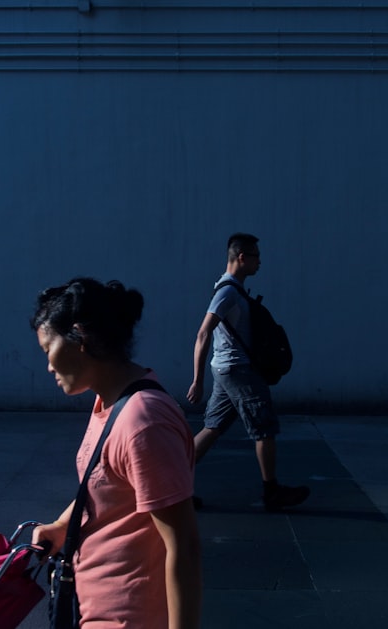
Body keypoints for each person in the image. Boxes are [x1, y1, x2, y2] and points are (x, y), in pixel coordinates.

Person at [30, 277, 202, 629]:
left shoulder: (143, 421)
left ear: (80, 337)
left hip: (129, 617)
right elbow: (104, 483)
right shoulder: (110, 402)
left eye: (48, 349)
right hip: (96, 606)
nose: (48, 365)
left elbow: (183, 547)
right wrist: (62, 527)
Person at [186, 233, 310, 511]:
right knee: (264, 428)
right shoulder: (227, 291)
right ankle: (272, 491)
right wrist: (197, 380)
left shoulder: (230, 289)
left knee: (211, 428)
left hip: (227, 369)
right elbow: (204, 332)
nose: (260, 263)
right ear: (242, 257)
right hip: (238, 371)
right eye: (256, 257)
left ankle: (173, 489)